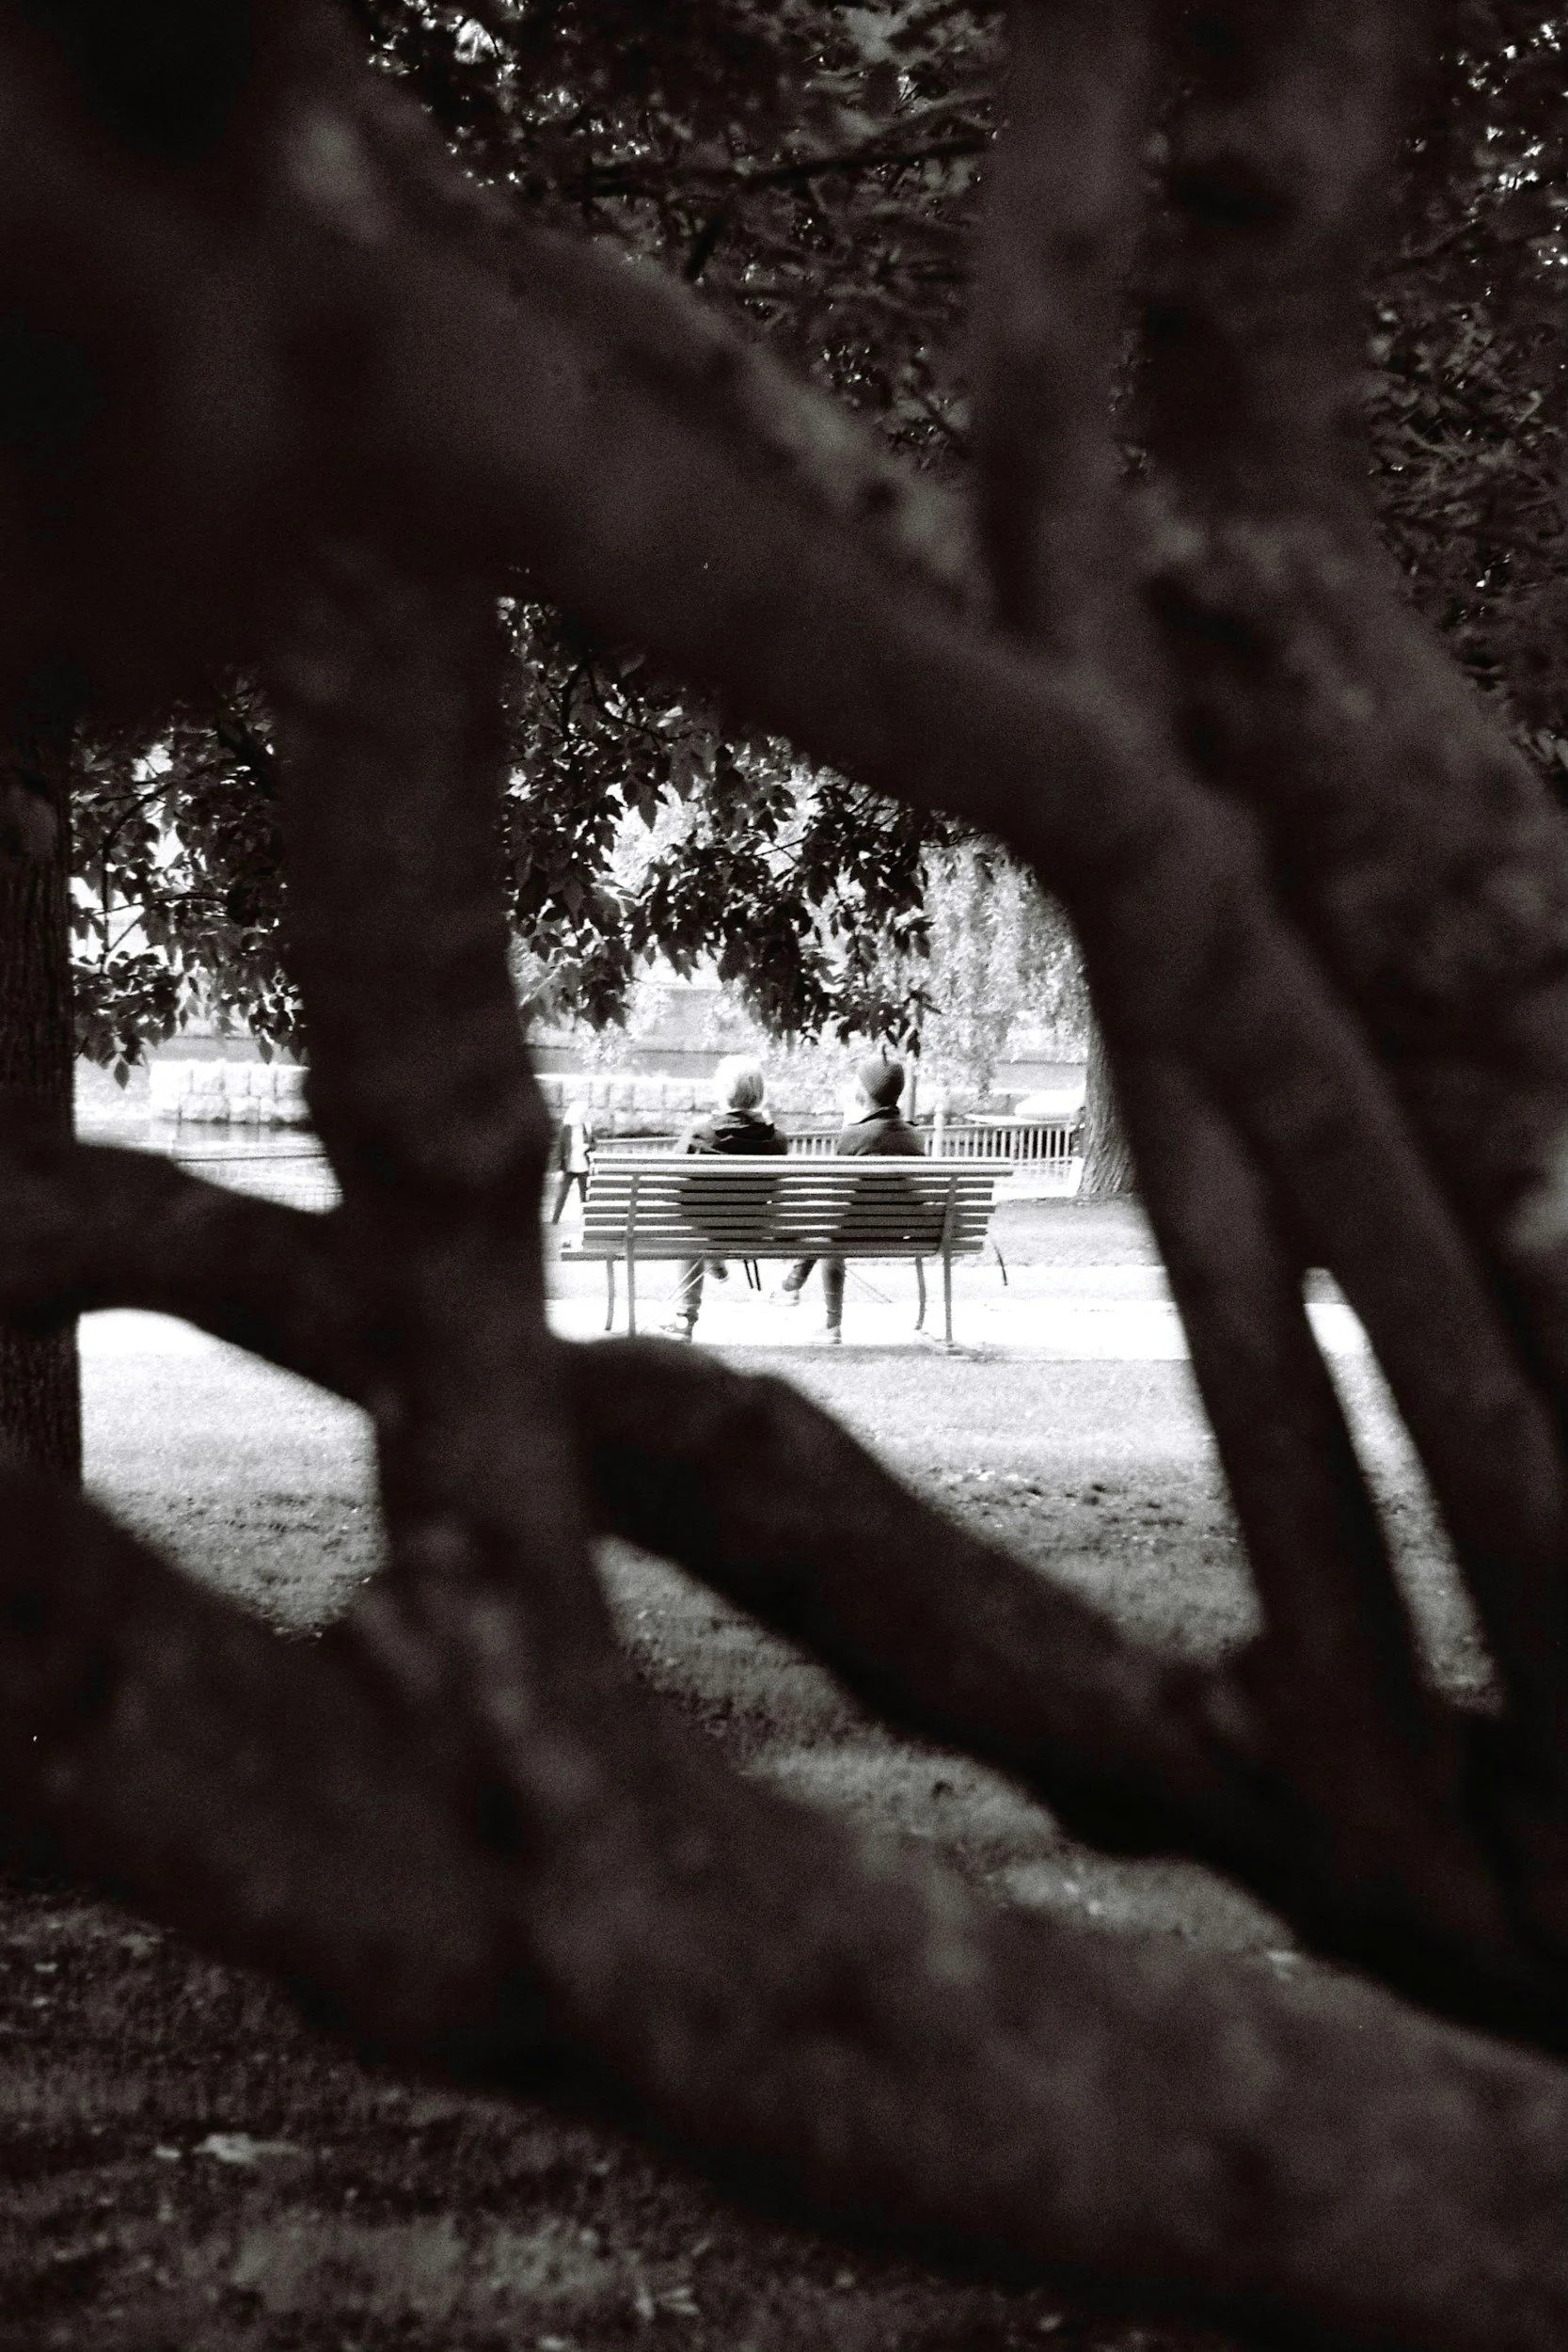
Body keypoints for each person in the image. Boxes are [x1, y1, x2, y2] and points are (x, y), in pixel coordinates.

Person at [775, 1053, 925, 1342]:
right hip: (907, 1233)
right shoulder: (915, 1137)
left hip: (850, 1233)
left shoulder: (853, 1136)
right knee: (830, 1228)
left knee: (829, 1228)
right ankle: (793, 1283)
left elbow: (836, 1201)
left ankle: (829, 1322)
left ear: (863, 1092)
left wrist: (850, 1126)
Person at [661, 1055, 787, 1340]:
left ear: (722, 1092)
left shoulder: (700, 1134)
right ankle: (713, 1258)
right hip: (754, 1231)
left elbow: (672, 1187)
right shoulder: (777, 1140)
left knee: (691, 1226)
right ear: (759, 1093)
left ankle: (685, 1317)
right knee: (699, 1225)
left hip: (704, 1230)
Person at [549, 1096, 595, 1222]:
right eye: (583, 1113)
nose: (584, 1115)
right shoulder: (566, 1128)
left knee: (584, 1195)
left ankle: (585, 1221)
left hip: (583, 1167)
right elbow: (560, 1148)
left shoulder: (587, 1128)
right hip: (568, 1167)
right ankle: (555, 1220)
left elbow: (594, 1146)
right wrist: (559, 1169)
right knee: (562, 1195)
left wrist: (587, 1146)